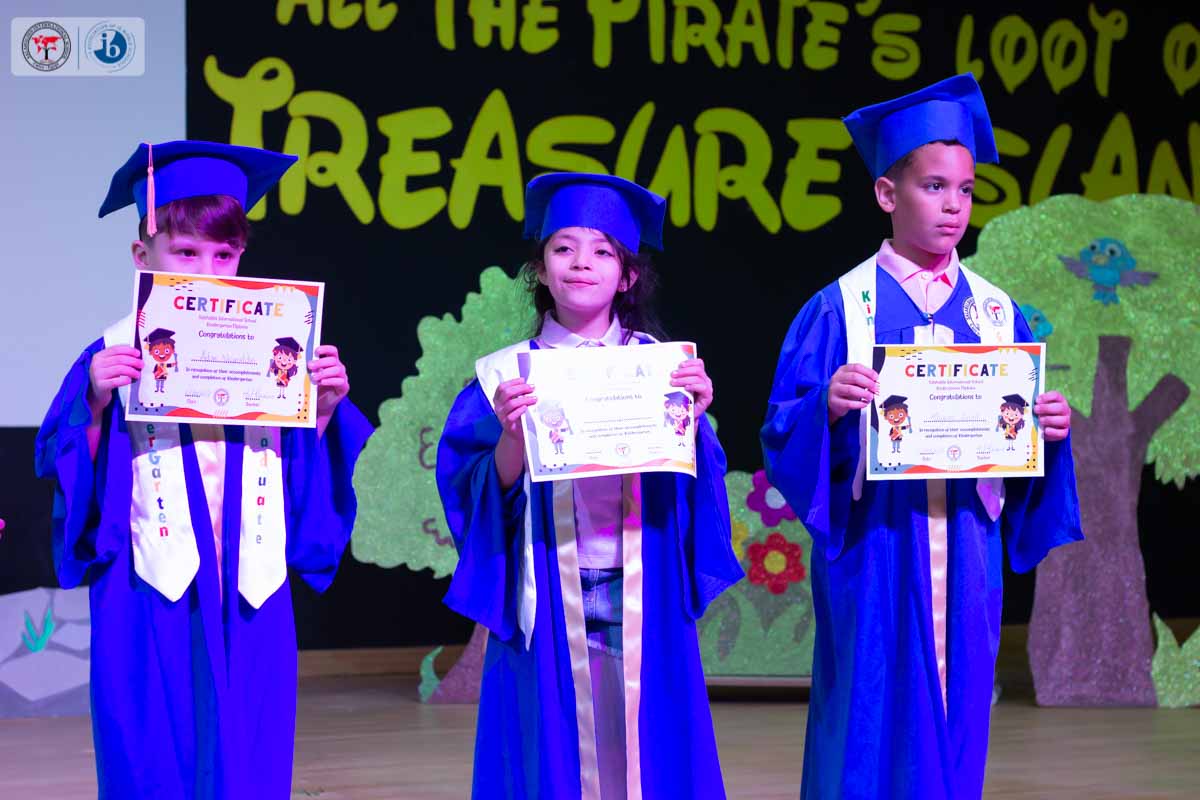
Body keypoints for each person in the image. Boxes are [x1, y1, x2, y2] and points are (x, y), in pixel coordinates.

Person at [760, 75, 1083, 799]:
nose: (953, 206)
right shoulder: (841, 308)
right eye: (934, 187)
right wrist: (827, 409)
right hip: (876, 547)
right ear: (887, 194)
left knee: (959, 711)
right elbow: (783, 430)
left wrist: (1049, 431)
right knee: (865, 713)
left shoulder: (997, 314)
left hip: (967, 549)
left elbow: (1018, 445)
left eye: (965, 190)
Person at [35, 140, 372, 799]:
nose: (208, 270)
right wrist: (94, 403)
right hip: (150, 586)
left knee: (249, 754)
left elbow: (302, 480)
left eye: (224, 254)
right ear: (143, 255)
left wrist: (324, 408)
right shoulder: (111, 355)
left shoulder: (277, 347)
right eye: (185, 252)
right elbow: (71, 473)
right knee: (149, 752)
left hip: (249, 584)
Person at [437, 172, 743, 799]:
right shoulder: (505, 377)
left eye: (603, 251)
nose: (582, 263)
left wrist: (695, 421)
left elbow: (697, 489)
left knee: (645, 743)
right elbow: (475, 495)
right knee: (557, 745)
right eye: (563, 248)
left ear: (627, 277)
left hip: (644, 586)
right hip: (550, 587)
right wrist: (512, 438)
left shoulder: (662, 369)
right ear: (540, 269)